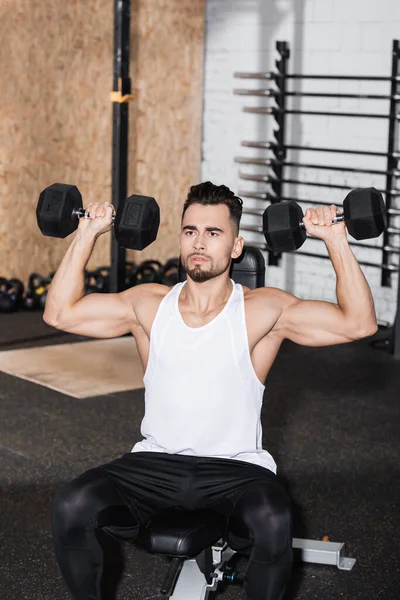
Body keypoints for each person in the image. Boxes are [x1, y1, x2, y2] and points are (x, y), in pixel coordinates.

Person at [44, 181, 378, 600]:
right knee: (72, 505)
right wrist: (86, 234)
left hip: (235, 471)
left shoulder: (262, 310)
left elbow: (359, 323)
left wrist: (335, 239)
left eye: (213, 233)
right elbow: (59, 313)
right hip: (156, 464)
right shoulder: (149, 305)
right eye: (190, 231)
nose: (199, 243)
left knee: (273, 517)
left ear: (236, 246)